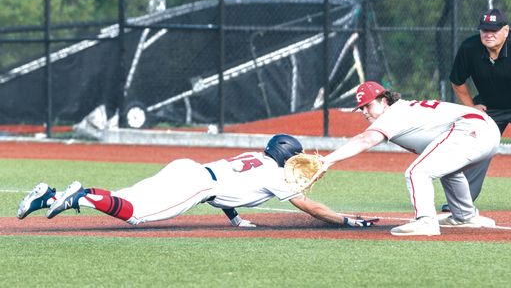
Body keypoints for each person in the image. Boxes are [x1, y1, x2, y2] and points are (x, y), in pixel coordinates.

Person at [16, 134, 375, 229]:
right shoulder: (274, 173)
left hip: (187, 169)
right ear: (285, 155)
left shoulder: (257, 160)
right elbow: (308, 205)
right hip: (196, 184)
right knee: (137, 215)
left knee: (122, 197)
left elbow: (229, 191)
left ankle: (49, 196)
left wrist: (234, 217)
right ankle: (78, 197)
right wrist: (345, 219)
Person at [311, 81, 500, 237]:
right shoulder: (403, 110)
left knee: (417, 172)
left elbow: (365, 139)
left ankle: (426, 221)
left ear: (384, 101)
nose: (365, 111)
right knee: (445, 169)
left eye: (368, 105)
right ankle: (464, 216)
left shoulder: (393, 113)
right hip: (485, 130)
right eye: (361, 108)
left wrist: (326, 161)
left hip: (470, 128)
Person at [449, 8, 511, 206]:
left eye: (495, 29)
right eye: (485, 30)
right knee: (476, 139)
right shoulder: (469, 48)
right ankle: (462, 201)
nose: (489, 34)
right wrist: (471, 107)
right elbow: (457, 81)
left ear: (506, 30)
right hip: (490, 107)